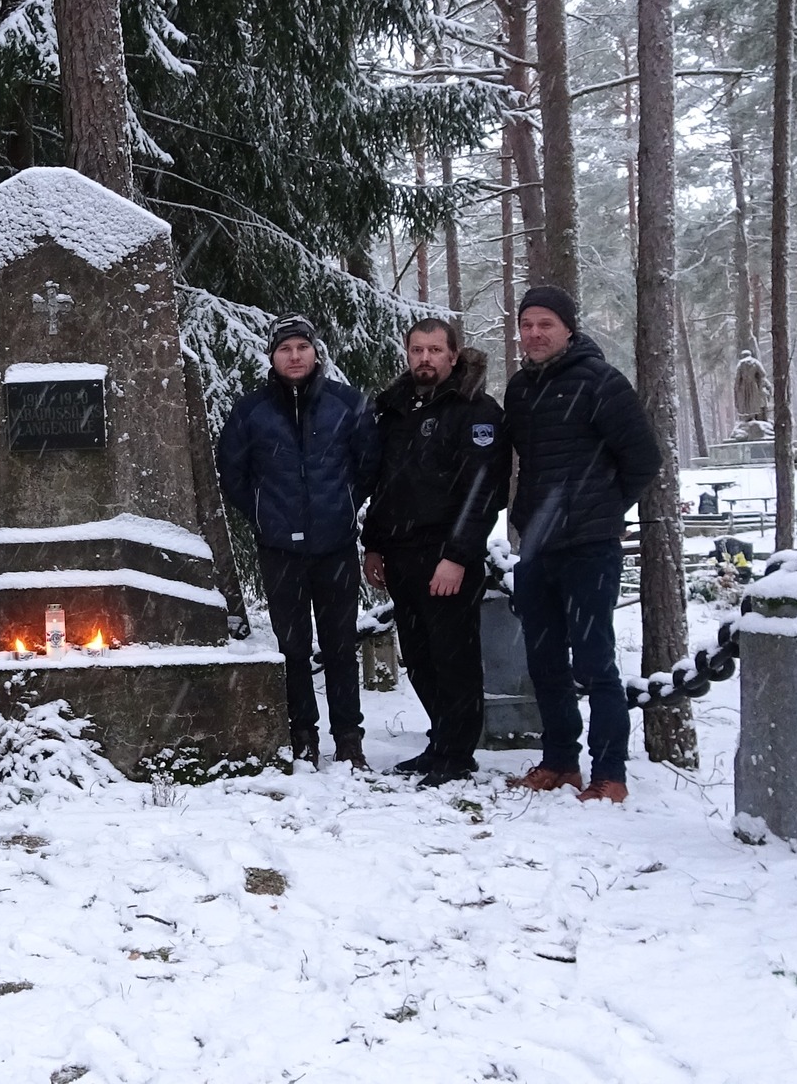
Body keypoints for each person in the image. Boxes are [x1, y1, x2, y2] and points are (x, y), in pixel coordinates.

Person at [502, 285, 663, 804]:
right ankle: (559, 762)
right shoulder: (520, 390)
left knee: (595, 662)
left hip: (590, 547)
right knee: (544, 660)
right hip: (537, 547)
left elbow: (643, 459)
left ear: (569, 328)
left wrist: (601, 509)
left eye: (545, 324)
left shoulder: (601, 382)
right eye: (527, 324)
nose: (534, 334)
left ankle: (609, 773)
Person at [216, 315, 382, 768]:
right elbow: (232, 472)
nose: (294, 356)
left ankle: (348, 738)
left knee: (340, 645)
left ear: (315, 352)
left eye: (301, 348)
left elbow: (369, 464)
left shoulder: (346, 404)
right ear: (272, 356)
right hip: (280, 550)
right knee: (292, 646)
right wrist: (264, 515)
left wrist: (344, 504)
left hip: (335, 546)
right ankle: (302, 734)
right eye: (284, 349)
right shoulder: (251, 411)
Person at [362, 319, 507, 788]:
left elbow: (483, 493)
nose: (425, 358)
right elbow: (385, 484)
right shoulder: (395, 409)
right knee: (420, 657)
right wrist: (373, 544)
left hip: (446, 555)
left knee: (453, 658)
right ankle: (440, 742)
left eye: (435, 350)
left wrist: (458, 556)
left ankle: (458, 755)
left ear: (453, 355)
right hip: (400, 553)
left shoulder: (476, 410)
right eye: (417, 350)